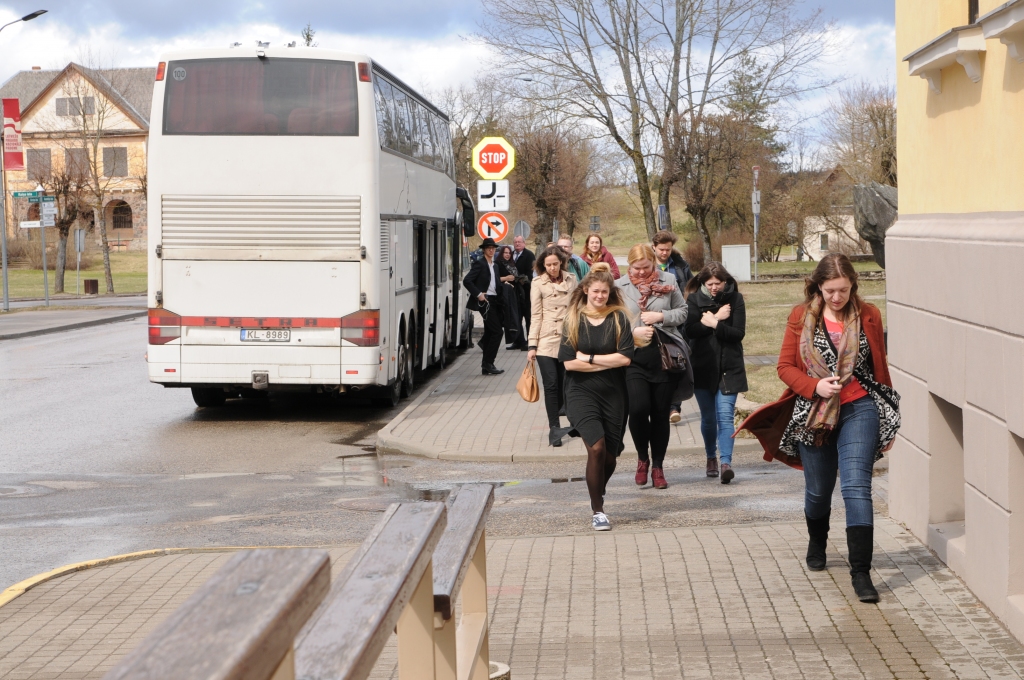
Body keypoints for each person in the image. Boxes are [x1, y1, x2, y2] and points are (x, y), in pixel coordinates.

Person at [737, 254, 900, 604]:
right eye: (830, 291)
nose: (837, 298)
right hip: (814, 412)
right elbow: (783, 366)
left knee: (857, 484)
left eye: (843, 290)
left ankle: (861, 573)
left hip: (860, 406)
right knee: (819, 490)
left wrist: (889, 416)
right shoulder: (801, 316)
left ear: (853, 285)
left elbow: (879, 368)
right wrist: (814, 387)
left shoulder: (868, 313)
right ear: (819, 287)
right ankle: (818, 540)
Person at [559, 262, 634, 531]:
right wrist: (607, 360)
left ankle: (596, 490)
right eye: (596, 291)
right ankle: (598, 510)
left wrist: (588, 358)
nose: (600, 296)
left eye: (604, 292)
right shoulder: (573, 319)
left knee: (610, 458)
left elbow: (625, 358)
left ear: (610, 293)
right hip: (580, 392)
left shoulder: (619, 318)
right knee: (597, 448)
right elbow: (568, 363)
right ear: (586, 290)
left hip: (614, 394)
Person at [616, 244, 687, 489]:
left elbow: (683, 311)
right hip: (633, 357)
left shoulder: (669, 280)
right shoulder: (619, 286)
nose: (642, 271)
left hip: (663, 356)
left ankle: (658, 466)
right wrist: (631, 331)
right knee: (637, 409)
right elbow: (611, 321)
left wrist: (661, 318)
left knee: (659, 414)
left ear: (653, 263)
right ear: (629, 265)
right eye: (637, 268)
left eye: (647, 267)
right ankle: (642, 458)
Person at [684, 262, 746, 484]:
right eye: (709, 284)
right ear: (702, 283)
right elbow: (689, 331)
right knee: (709, 419)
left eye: (717, 284)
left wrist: (714, 323)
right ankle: (711, 456)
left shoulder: (736, 300)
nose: (713, 288)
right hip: (702, 367)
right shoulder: (693, 300)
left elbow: (738, 333)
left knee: (726, 418)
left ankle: (726, 463)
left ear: (725, 282)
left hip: (729, 368)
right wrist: (716, 318)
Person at [527, 246, 578, 447]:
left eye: (555, 264)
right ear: (543, 265)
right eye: (548, 265)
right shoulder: (537, 283)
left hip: (568, 338)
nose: (552, 268)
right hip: (546, 340)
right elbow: (535, 315)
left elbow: (576, 309)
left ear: (561, 263)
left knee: (569, 385)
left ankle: (574, 424)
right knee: (551, 385)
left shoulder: (571, 279)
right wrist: (532, 345)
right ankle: (554, 429)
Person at [652, 230, 694, 423]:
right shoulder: (647, 265)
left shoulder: (679, 265)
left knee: (676, 363)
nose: (665, 253)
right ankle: (660, 405)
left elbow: (690, 287)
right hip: (655, 323)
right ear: (654, 247)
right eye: (661, 249)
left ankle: (674, 407)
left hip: (676, 321)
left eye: (668, 249)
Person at [463, 238, 514, 375]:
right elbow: (467, 281)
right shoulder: (480, 264)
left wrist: (503, 287)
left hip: (495, 301)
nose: (491, 250)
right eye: (489, 248)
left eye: (493, 248)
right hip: (484, 302)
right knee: (497, 332)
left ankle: (486, 365)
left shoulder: (495, 266)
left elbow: (495, 283)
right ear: (484, 250)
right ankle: (489, 363)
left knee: (491, 332)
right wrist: (478, 294)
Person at [498, 245, 528, 350]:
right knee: (509, 318)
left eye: (509, 253)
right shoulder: (498, 264)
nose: (507, 255)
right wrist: (506, 278)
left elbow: (515, 276)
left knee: (517, 317)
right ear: (501, 253)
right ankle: (520, 341)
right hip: (504, 295)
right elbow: (494, 279)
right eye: (505, 253)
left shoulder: (511, 264)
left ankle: (519, 341)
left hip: (516, 293)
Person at [512, 235, 536, 338]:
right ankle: (518, 340)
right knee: (516, 317)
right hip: (515, 291)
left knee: (528, 317)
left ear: (524, 243)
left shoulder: (529, 255)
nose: (517, 244)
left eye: (519, 242)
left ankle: (529, 341)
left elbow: (530, 273)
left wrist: (519, 278)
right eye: (515, 242)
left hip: (526, 291)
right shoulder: (511, 255)